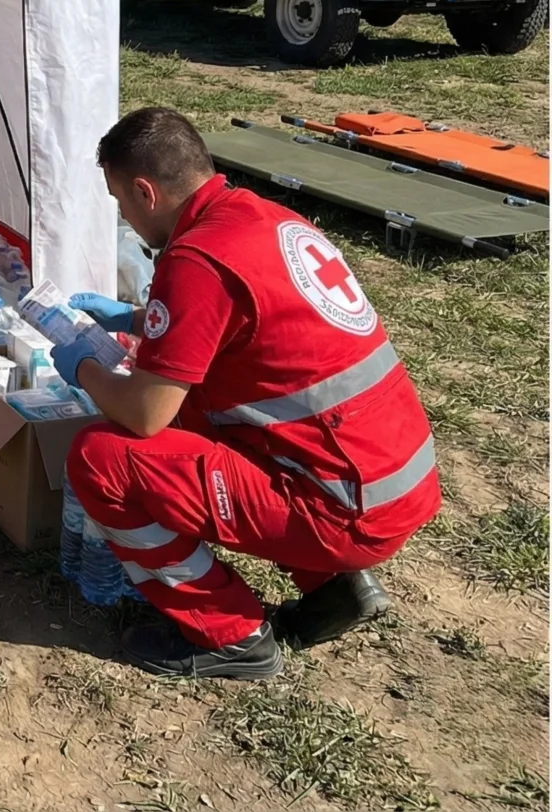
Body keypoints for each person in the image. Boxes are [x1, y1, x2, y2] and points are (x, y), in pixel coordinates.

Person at [54, 107, 439, 681]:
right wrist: (136, 319)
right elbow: (239, 328)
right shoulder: (269, 219)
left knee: (102, 457)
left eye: (120, 202)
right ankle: (334, 585)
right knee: (196, 403)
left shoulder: (196, 258)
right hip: (391, 478)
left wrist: (84, 367)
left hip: (345, 510)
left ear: (145, 191)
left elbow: (144, 414)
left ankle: (232, 636)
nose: (124, 217)